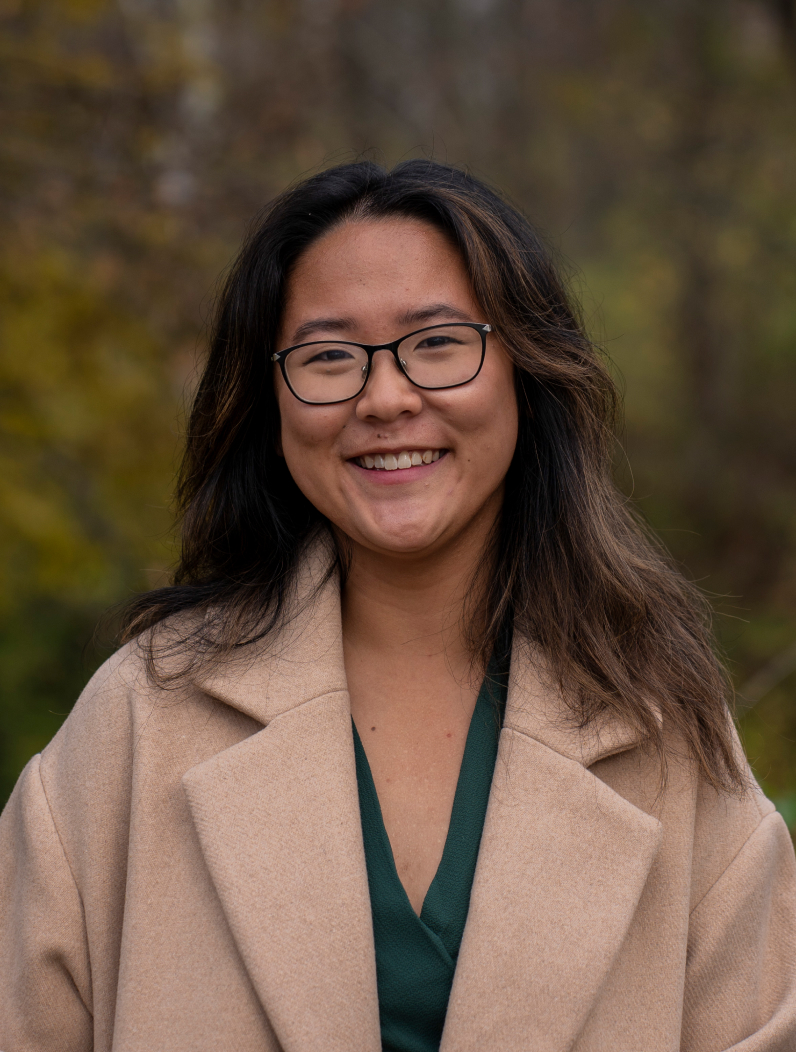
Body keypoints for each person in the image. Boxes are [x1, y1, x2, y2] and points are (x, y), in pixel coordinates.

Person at [1, 160, 795, 1052]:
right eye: (328, 356)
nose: (385, 399)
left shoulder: (664, 728)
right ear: (271, 403)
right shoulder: (140, 720)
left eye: (438, 343)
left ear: (525, 370)